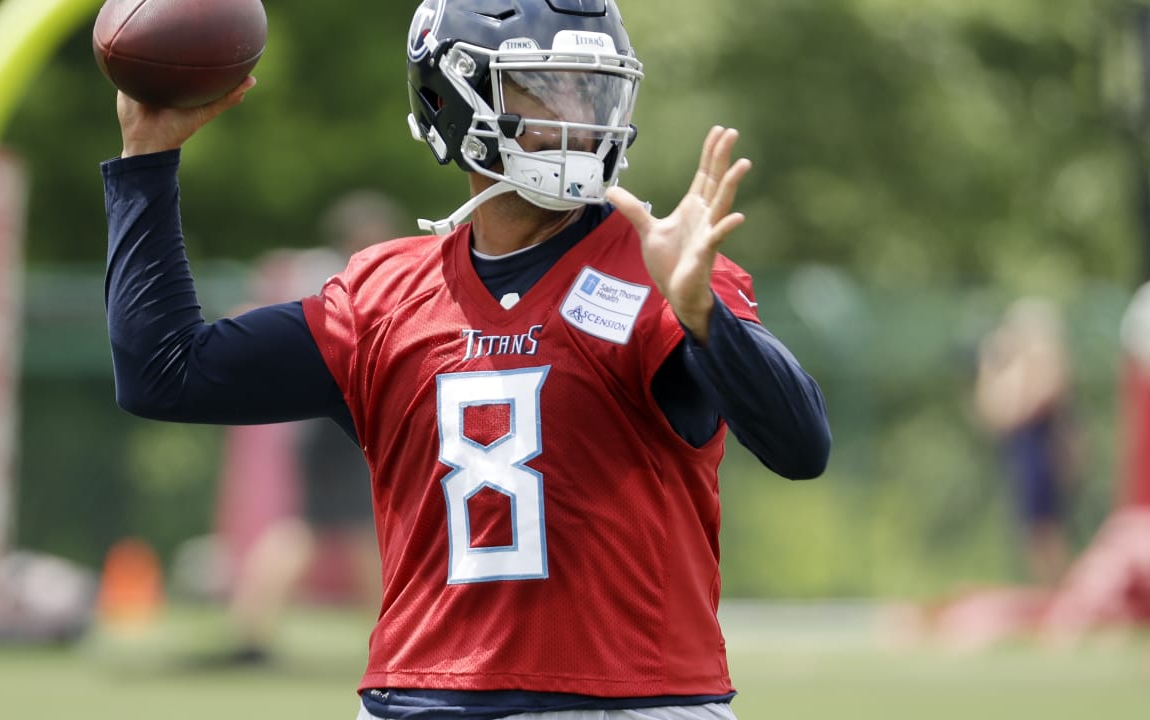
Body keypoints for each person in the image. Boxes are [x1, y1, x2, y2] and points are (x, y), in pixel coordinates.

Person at [100, 1, 830, 718]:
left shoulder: (663, 271)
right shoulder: (381, 297)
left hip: (632, 701)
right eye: (545, 86)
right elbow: (164, 375)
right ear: (451, 98)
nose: (578, 113)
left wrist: (704, 317)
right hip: (420, 700)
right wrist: (148, 159)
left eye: (592, 86)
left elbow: (800, 447)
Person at [217, 193, 402, 666]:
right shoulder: (354, 278)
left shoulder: (318, 273)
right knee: (346, 529)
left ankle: (254, 629)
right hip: (332, 422)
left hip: (319, 421)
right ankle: (395, 640)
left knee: (333, 530)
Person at [973, 297, 1076, 586]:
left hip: (1044, 454)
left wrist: (1017, 365)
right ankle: (1045, 590)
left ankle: (1057, 592)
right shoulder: (1014, 367)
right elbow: (994, 413)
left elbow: (1027, 406)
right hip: (1020, 453)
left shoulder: (1046, 363)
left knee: (1047, 530)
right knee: (1029, 530)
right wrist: (993, 366)